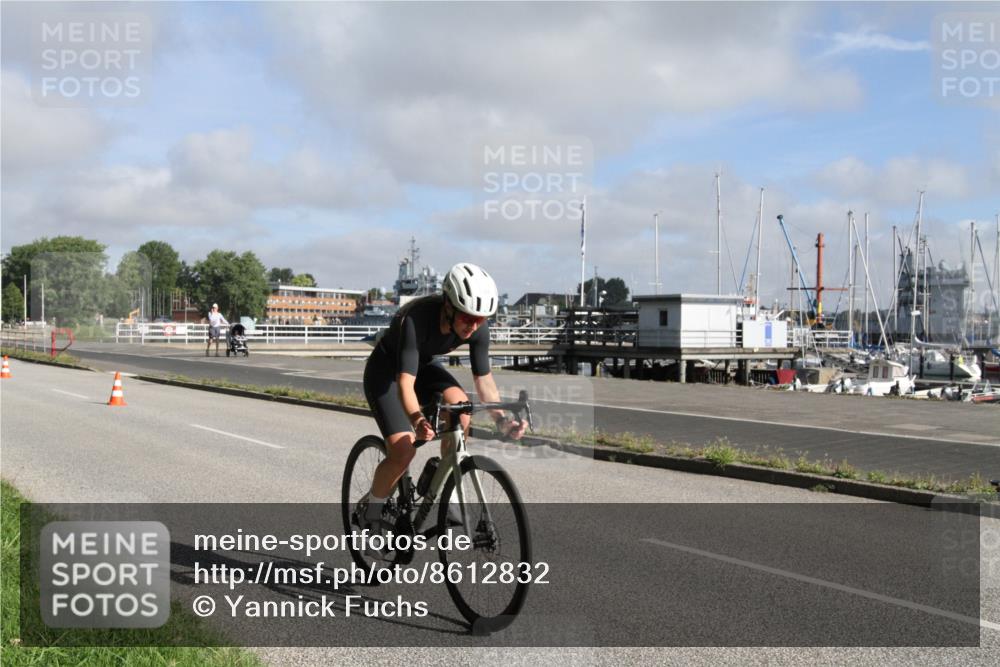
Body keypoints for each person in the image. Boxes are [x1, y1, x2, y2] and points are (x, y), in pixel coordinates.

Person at [358, 262, 526, 547]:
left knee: (460, 407)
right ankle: (370, 512)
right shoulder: (416, 319)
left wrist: (501, 419)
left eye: (480, 320)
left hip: (422, 367)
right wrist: (417, 420)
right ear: (448, 305)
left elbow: (484, 380)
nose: (473, 326)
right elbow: (404, 385)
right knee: (403, 450)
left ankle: (445, 484)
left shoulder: (477, 328)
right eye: (467, 318)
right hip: (387, 372)